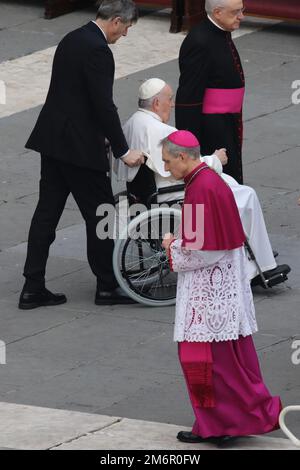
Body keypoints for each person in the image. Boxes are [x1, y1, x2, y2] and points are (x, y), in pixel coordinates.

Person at [19, 0, 144, 310]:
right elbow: (103, 105)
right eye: (126, 27)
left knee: (46, 214)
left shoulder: (72, 37)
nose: (125, 34)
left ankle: (32, 286)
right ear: (115, 21)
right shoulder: (99, 51)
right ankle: (107, 285)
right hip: (79, 149)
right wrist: (123, 149)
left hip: (53, 141)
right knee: (102, 214)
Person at [161, 130, 282, 445]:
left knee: (208, 366)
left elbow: (203, 251)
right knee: (225, 366)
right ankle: (217, 423)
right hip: (222, 294)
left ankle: (223, 424)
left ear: (184, 157)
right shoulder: (210, 181)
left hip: (209, 300)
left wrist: (172, 246)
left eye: (168, 161)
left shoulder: (200, 189)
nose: (165, 169)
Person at [115, 78, 289, 282]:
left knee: (236, 190)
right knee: (247, 195)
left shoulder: (132, 122)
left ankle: (255, 255)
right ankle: (261, 266)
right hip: (171, 192)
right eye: (169, 100)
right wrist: (216, 159)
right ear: (156, 103)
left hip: (149, 193)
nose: (172, 104)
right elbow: (185, 164)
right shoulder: (161, 131)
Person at [175, 0, 246, 184]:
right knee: (220, 181)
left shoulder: (221, 33)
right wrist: (190, 147)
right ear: (217, 13)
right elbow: (187, 100)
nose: (242, 16)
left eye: (242, 10)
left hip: (227, 121)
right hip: (212, 130)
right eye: (236, 12)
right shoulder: (199, 41)